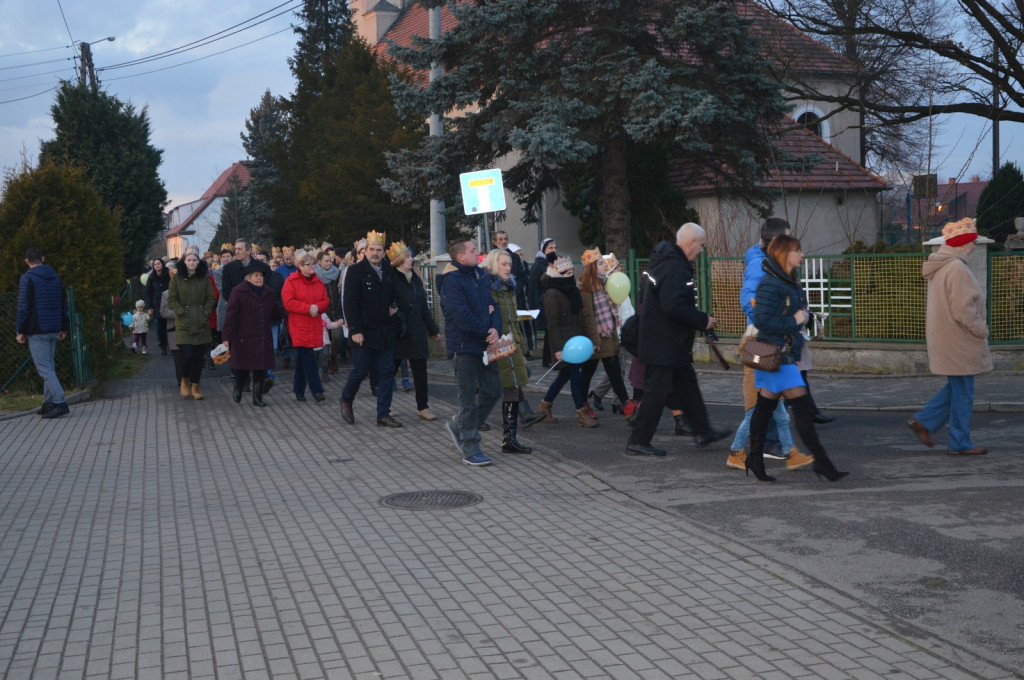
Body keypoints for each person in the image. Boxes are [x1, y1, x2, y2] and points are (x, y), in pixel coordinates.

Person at [745, 235, 848, 482]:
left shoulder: (789, 280)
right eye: (797, 251)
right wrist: (794, 321)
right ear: (784, 254)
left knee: (764, 407)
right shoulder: (772, 283)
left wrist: (806, 317)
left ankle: (755, 458)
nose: (802, 254)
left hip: (784, 353)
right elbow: (760, 319)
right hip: (776, 355)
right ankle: (822, 463)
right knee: (801, 408)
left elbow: (791, 312)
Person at [626, 223, 729, 457]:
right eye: (701, 246)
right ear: (691, 243)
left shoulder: (665, 261)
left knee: (687, 386)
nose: (702, 251)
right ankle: (638, 441)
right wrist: (703, 320)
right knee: (655, 393)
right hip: (664, 343)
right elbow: (673, 306)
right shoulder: (674, 266)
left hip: (667, 341)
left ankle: (704, 431)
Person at [728, 217, 813, 472]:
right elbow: (750, 301)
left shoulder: (775, 265)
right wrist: (777, 324)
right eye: (787, 238)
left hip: (772, 341)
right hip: (761, 342)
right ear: (775, 242)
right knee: (759, 404)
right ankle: (737, 452)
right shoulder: (760, 265)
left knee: (775, 404)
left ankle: (789, 452)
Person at [907, 218, 991, 456]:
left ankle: (924, 421)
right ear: (961, 244)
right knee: (964, 392)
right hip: (960, 340)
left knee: (956, 389)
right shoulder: (957, 269)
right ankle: (959, 442)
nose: (973, 247)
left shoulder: (944, 266)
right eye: (971, 242)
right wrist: (982, 330)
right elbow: (964, 310)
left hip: (948, 339)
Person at [441, 238, 503, 466]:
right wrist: (486, 329)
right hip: (464, 346)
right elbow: (460, 314)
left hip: (486, 344)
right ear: (460, 256)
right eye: (473, 249)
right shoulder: (452, 281)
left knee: (493, 390)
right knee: (466, 398)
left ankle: (459, 425)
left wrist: (496, 328)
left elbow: (493, 305)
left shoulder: (480, 276)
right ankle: (470, 445)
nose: (477, 251)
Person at [525, 251, 598, 428]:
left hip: (577, 341)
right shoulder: (552, 294)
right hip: (564, 344)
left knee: (564, 377)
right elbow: (553, 324)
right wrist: (557, 349)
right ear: (558, 274)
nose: (570, 275)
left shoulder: (573, 290)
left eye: (571, 271)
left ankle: (544, 407)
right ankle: (582, 414)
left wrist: (589, 339)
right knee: (575, 377)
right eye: (566, 273)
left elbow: (582, 318)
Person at [340, 231, 402, 427]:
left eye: (379, 250)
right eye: (372, 249)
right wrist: (355, 330)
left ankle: (383, 414)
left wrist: (394, 305)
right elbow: (350, 303)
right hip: (363, 331)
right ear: (365, 251)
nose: (375, 253)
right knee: (361, 369)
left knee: (386, 372)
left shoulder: (390, 271)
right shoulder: (355, 272)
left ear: (384, 252)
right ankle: (346, 400)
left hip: (384, 331)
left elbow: (395, 294)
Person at [482, 249, 532, 452]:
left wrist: (521, 348)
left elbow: (514, 323)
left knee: (512, 387)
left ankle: (509, 439)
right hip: (495, 347)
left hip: (511, 347)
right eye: (503, 264)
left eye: (509, 264)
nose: (508, 267)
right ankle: (463, 425)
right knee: (490, 391)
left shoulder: (509, 287)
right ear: (493, 265)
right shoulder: (487, 288)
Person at [578, 248, 635, 418]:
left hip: (608, 335)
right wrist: (594, 340)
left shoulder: (603, 283)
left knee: (614, 372)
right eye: (601, 263)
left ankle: (626, 405)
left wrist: (615, 321)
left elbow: (610, 308)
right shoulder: (585, 286)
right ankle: (583, 405)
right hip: (596, 338)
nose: (605, 266)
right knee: (588, 373)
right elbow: (588, 315)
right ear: (592, 266)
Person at [389, 241, 442, 420]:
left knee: (420, 370)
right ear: (400, 260)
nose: (412, 259)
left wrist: (433, 329)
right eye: (409, 257)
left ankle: (423, 407)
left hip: (417, 330)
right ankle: (384, 406)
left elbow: (423, 307)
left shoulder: (416, 278)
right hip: (399, 331)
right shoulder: (391, 277)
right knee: (391, 370)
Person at [16, 246, 70, 419]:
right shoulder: (55, 278)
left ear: (27, 261)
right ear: (43, 259)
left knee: (45, 369)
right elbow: (64, 303)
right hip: (54, 327)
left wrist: (20, 330)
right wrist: (64, 327)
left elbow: (23, 307)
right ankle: (49, 403)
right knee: (49, 366)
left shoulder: (27, 279)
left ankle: (60, 402)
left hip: (36, 329)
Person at [222, 268, 284, 407]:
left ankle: (257, 397)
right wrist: (226, 338)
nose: (259, 278)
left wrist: (285, 311)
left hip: (262, 336)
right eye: (256, 276)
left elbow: (275, 311)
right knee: (242, 367)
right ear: (248, 278)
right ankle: (238, 386)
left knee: (260, 369)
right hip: (244, 336)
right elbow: (231, 316)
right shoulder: (238, 292)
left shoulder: (268, 292)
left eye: (261, 275)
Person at [282, 252, 330, 403]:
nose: (311, 267)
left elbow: (325, 300)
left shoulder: (319, 282)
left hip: (314, 325)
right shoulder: (291, 281)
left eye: (313, 264)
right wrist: (308, 308)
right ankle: (317, 390)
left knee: (303, 360)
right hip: (299, 326)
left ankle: (299, 390)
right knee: (309, 359)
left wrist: (318, 307)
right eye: (308, 264)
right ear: (300, 266)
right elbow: (288, 302)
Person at [167, 251, 215, 400]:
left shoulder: (204, 278)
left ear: (198, 262)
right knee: (187, 355)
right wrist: (181, 312)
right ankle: (184, 380)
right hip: (184, 323)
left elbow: (210, 298)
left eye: (195, 260)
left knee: (198, 358)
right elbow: (172, 299)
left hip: (201, 323)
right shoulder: (176, 278)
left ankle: (195, 387)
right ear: (184, 262)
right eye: (189, 260)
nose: (192, 262)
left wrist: (205, 313)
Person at [313, 247, 343, 380]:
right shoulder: (315, 275)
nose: (329, 263)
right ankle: (323, 367)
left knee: (337, 337)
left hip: (335, 310)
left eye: (330, 261)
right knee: (323, 341)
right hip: (321, 312)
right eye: (326, 261)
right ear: (319, 262)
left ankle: (332, 357)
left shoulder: (336, 273)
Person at [529, 238, 558, 367]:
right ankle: (550, 359)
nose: (553, 250)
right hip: (544, 303)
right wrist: (536, 306)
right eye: (550, 248)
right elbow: (533, 288)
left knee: (551, 332)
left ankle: (548, 359)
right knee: (550, 330)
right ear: (543, 250)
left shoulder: (555, 263)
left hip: (554, 302)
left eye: (555, 247)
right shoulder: (538, 266)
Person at [144, 258, 170, 354]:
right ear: (153, 266)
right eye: (155, 264)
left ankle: (172, 345)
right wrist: (149, 307)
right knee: (161, 327)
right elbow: (147, 293)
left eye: (159, 263)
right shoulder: (151, 278)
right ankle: (163, 346)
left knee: (171, 325)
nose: (157, 265)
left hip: (169, 303)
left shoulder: (169, 275)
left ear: (162, 264)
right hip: (157, 305)